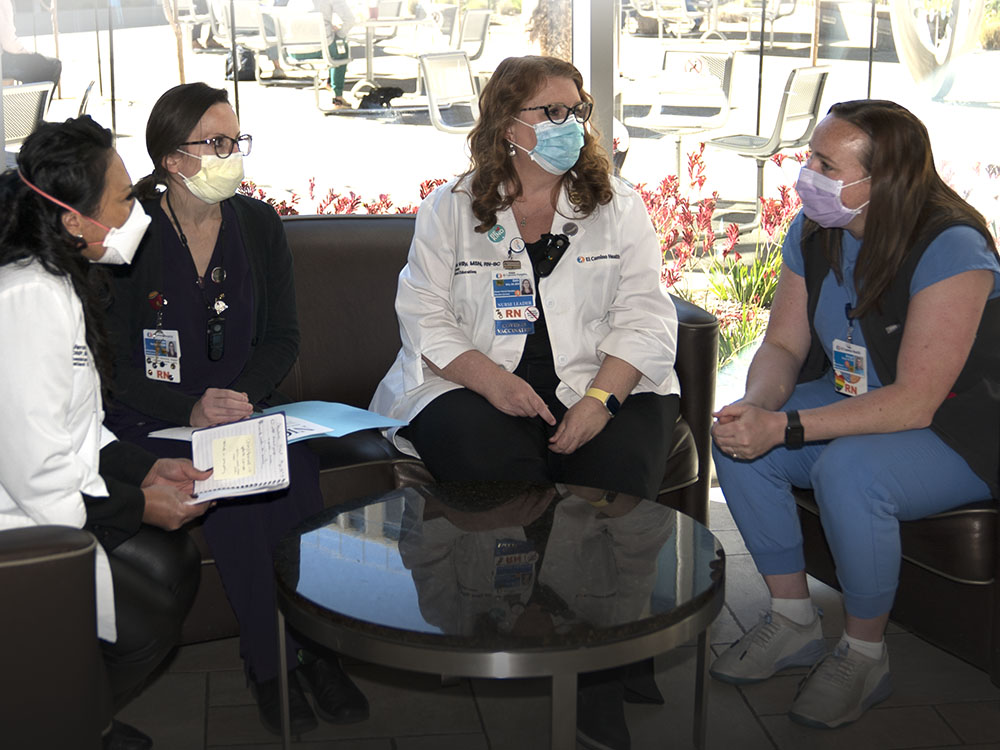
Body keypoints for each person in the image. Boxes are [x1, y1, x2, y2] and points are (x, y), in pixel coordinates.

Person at [370, 54, 681, 750]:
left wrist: (602, 399)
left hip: (607, 382)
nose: (570, 124)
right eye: (551, 112)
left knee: (613, 491)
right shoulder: (451, 207)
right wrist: (491, 381)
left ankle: (604, 665)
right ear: (507, 124)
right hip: (474, 382)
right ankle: (504, 622)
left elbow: (647, 316)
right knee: (503, 484)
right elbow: (424, 316)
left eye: (577, 110)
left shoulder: (616, 203)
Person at [709, 99, 1000, 729]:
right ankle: (792, 620)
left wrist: (785, 426)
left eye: (823, 162)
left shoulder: (952, 245)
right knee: (735, 435)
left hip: (956, 426)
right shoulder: (816, 231)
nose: (804, 171)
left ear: (882, 181)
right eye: (810, 155)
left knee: (849, 471)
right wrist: (757, 407)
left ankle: (865, 654)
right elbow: (784, 344)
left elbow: (915, 400)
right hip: (853, 394)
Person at [103, 82, 368, 737]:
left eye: (235, 140)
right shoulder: (129, 236)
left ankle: (318, 649)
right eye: (215, 143)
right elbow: (109, 366)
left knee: (292, 472)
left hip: (244, 407)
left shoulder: (256, 226)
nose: (232, 154)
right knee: (236, 489)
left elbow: (284, 337)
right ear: (171, 158)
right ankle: (270, 663)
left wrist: (242, 397)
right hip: (154, 416)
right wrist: (190, 407)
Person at [0, 115, 212, 750]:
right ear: (73, 218)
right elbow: (36, 473)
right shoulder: (24, 301)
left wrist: (146, 470)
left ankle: (74, 712)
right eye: (124, 199)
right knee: (144, 624)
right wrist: (139, 505)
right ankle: (54, 723)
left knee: (175, 569)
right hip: (21, 520)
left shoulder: (59, 278)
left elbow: (80, 425)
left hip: (54, 496)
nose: (135, 210)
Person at [1, 0, 61, 85]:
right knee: (53, 66)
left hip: (5, 57)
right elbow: (8, 43)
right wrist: (28, 52)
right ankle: (33, 98)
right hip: (4, 61)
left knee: (33, 63)